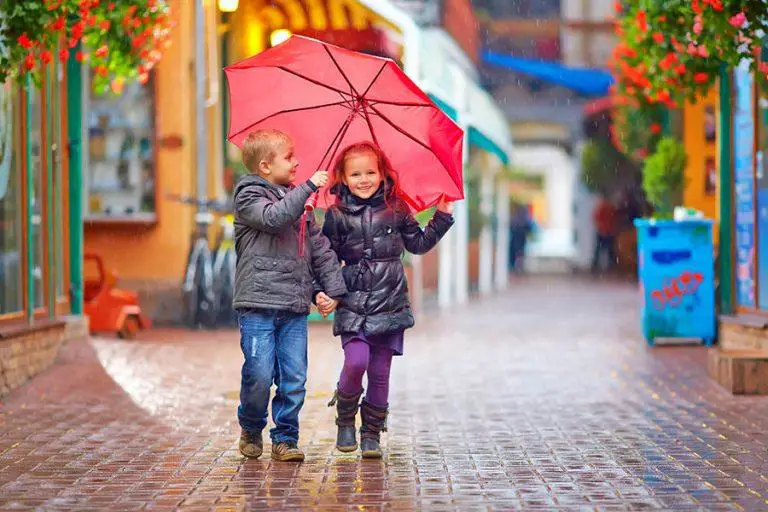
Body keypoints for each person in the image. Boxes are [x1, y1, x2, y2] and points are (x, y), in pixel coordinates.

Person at [316, 141, 454, 459]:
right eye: (355, 174)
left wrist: (441, 218)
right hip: (353, 299)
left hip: (390, 299)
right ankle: (346, 420)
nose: (363, 179)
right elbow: (325, 258)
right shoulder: (336, 215)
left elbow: (417, 244)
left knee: (380, 372)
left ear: (382, 174)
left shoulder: (397, 207)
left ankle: (371, 434)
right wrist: (322, 290)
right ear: (343, 177)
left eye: (370, 172)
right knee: (356, 362)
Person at [233, 129, 347, 462]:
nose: (297, 162)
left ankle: (285, 437)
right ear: (265, 166)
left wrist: (331, 292)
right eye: (289, 157)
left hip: (294, 305)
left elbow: (320, 251)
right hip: (258, 304)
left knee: (294, 377)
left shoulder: (301, 204)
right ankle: (251, 426)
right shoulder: (248, 195)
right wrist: (309, 187)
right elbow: (274, 217)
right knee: (259, 373)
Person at [591, 193, 618, 274]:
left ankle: (596, 266)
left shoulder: (603, 206)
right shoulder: (609, 207)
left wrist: (600, 227)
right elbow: (614, 218)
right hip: (608, 231)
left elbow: (595, 218)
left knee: (600, 251)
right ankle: (611, 266)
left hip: (603, 231)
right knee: (609, 251)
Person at [509, 202, 532, 273]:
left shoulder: (516, 218)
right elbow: (528, 227)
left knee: (518, 253)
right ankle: (518, 267)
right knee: (519, 253)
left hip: (518, 239)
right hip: (519, 239)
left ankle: (517, 267)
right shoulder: (523, 217)